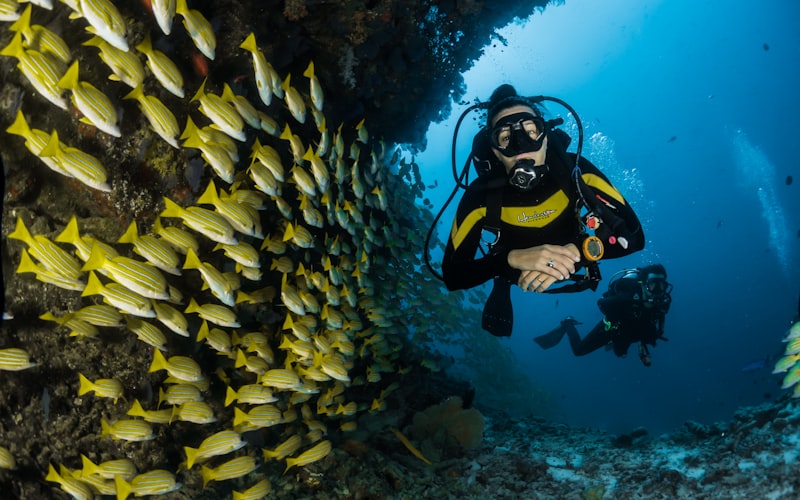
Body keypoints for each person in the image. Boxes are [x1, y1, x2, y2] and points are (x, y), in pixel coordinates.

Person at [441, 84, 645, 335]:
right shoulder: (480, 197)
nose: (520, 145)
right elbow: (453, 275)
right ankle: (502, 281)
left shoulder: (577, 171)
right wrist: (509, 260)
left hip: (577, 254)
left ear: (546, 136)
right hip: (512, 270)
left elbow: (634, 238)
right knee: (502, 273)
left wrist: (580, 252)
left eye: (531, 131)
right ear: (494, 150)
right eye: (505, 138)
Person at [534, 264, 673, 366]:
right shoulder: (627, 297)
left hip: (632, 331)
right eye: (654, 285)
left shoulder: (661, 303)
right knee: (579, 350)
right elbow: (602, 303)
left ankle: (620, 343)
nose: (658, 291)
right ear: (643, 284)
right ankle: (568, 323)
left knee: (620, 353)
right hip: (613, 327)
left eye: (662, 286)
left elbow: (659, 322)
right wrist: (615, 320)